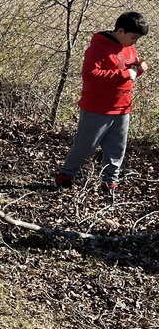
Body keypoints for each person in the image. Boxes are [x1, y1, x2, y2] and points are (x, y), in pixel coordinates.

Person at [53, 11, 149, 198]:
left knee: (117, 148)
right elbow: (90, 75)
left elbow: (129, 73)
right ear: (120, 31)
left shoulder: (129, 48)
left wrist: (138, 69)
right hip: (97, 108)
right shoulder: (98, 48)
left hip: (122, 107)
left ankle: (109, 182)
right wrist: (126, 74)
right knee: (85, 146)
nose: (134, 43)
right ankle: (66, 176)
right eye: (133, 37)